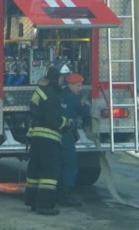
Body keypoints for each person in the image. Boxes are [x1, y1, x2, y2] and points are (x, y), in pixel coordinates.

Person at [23, 62, 72, 215]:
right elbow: (54, 121)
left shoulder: (41, 89)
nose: (63, 81)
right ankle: (44, 205)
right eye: (62, 79)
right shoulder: (51, 95)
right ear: (55, 78)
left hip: (36, 136)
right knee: (49, 173)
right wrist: (68, 123)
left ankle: (32, 201)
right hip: (48, 138)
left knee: (35, 169)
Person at [58, 72, 91, 207]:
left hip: (54, 134)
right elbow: (86, 113)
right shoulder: (74, 99)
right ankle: (66, 196)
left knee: (58, 164)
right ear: (70, 85)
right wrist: (86, 103)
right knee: (70, 165)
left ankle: (57, 192)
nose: (80, 88)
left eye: (81, 85)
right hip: (66, 135)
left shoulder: (60, 94)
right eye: (78, 85)